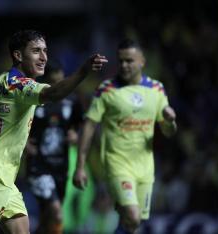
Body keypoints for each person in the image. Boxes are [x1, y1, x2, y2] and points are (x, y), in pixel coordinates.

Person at [0, 30, 107, 234]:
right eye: (36, 51)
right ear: (18, 55)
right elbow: (54, 92)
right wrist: (82, 71)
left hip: (4, 179)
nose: (44, 57)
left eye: (45, 51)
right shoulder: (22, 87)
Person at [72, 39, 177, 234]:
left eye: (129, 60)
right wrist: (80, 166)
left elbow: (168, 131)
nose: (124, 65)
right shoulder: (107, 89)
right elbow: (89, 126)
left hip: (145, 167)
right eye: (121, 61)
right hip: (117, 164)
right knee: (132, 215)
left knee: (132, 225)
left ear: (142, 61)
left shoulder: (156, 89)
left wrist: (170, 121)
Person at [25, 60, 83, 234]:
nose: (58, 86)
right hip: (38, 165)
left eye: (61, 81)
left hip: (61, 166)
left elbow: (81, 125)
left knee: (47, 218)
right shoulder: (34, 99)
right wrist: (25, 143)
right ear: (45, 81)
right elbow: (15, 125)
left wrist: (75, 134)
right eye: (53, 82)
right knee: (57, 214)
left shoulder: (72, 101)